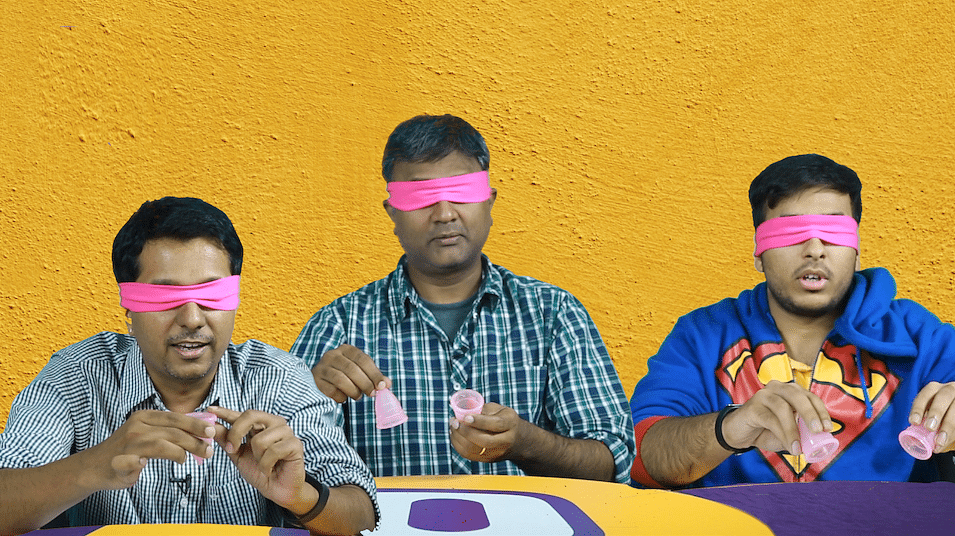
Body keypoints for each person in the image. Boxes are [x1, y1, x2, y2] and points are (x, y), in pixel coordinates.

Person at [0, 197, 377, 535]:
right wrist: (94, 466)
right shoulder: (78, 375)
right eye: (166, 296)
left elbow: (361, 511)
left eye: (212, 293)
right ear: (129, 307)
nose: (193, 318)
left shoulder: (277, 378)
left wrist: (301, 497)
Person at [291, 114, 634, 483]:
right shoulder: (338, 325)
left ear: (488, 201)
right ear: (393, 213)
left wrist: (526, 443)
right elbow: (275, 474)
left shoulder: (553, 314)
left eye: (461, 192)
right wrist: (311, 397)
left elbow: (613, 464)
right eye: (420, 197)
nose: (444, 213)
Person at [629, 154, 955, 489]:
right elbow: (639, 457)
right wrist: (730, 427)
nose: (815, 248)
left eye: (833, 230)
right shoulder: (702, 335)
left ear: (856, 251)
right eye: (791, 230)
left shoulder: (917, 335)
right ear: (759, 252)